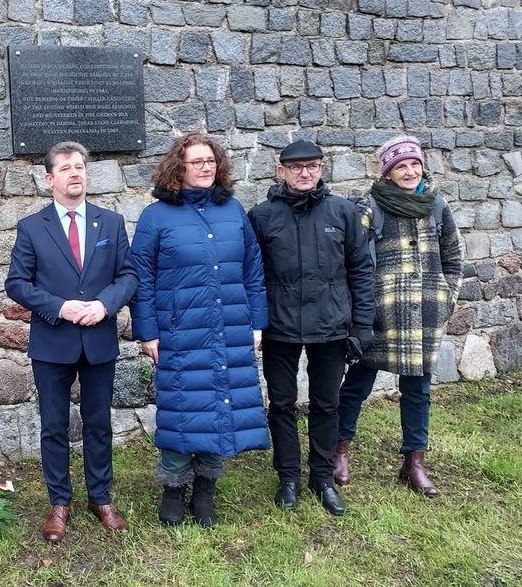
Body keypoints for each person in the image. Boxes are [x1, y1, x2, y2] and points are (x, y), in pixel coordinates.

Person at [129, 132, 269, 528]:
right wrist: (148, 332)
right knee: (183, 410)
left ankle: (205, 487)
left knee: (222, 405)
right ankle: (174, 487)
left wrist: (257, 322)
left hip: (230, 327)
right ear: (179, 168)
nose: (206, 167)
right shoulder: (157, 217)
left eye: (211, 161)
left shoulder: (233, 210)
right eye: (197, 162)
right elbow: (142, 277)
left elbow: (253, 271)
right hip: (180, 331)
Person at [5, 140, 138, 541]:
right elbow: (16, 283)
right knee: (53, 425)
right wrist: (60, 307)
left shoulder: (110, 223)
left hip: (98, 339)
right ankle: (59, 501)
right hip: (53, 341)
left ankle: (101, 496)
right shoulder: (32, 227)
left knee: (99, 423)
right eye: (65, 168)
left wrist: (105, 304)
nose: (74, 173)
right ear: (50, 179)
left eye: (79, 166)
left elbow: (128, 276)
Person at [248, 139, 375, 517]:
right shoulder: (262, 216)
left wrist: (362, 324)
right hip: (280, 327)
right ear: (280, 170)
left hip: (331, 326)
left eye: (313, 166)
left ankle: (322, 477)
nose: (305, 173)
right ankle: (287, 476)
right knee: (282, 404)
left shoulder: (343, 212)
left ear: (322, 169)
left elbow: (361, 270)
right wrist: (256, 322)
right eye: (297, 167)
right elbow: (252, 275)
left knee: (326, 403)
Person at [335, 136, 463, 497]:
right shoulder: (369, 207)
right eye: (400, 166)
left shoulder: (437, 206)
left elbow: (454, 258)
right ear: (387, 172)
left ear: (422, 166)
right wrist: (361, 309)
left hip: (424, 313)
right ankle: (339, 451)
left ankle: (414, 462)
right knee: (357, 385)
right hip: (380, 315)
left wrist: (446, 298)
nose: (409, 171)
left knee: (418, 390)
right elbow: (352, 260)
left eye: (414, 164)